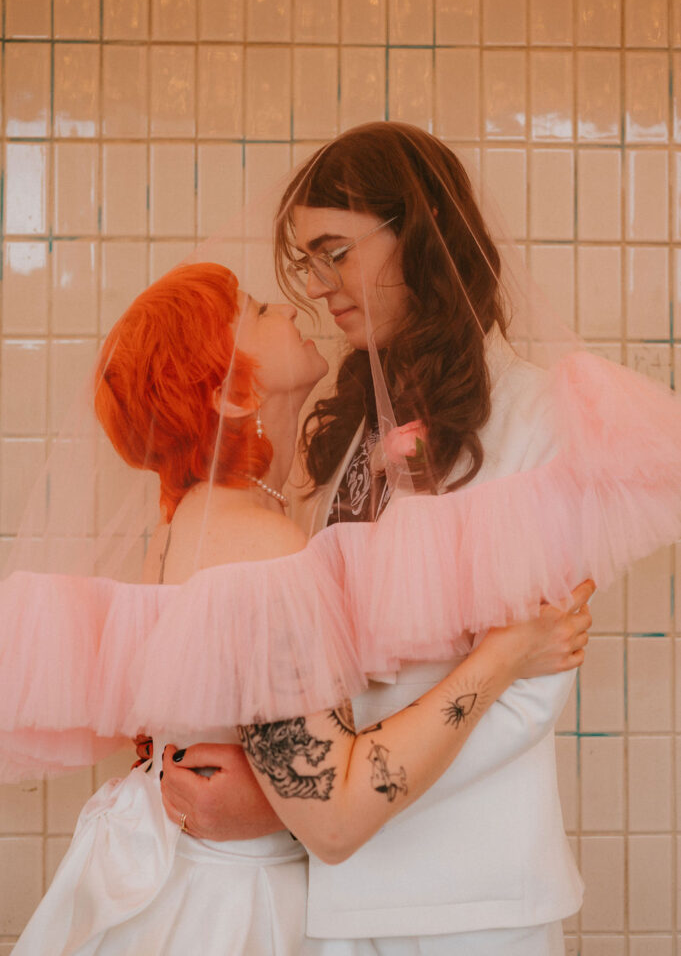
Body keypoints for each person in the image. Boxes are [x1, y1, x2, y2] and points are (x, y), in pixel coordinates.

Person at [155, 122, 681, 955]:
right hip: (328, 887)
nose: (321, 286)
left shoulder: (541, 418)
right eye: (308, 262)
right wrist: (303, 802)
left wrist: (308, 804)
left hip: (467, 898)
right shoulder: (348, 429)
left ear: (423, 233)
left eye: (337, 251)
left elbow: (529, 680)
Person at [10, 262, 591, 956]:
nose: (289, 305)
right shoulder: (259, 545)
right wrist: (506, 654)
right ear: (229, 394)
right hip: (235, 912)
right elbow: (337, 815)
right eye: (256, 310)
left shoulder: (201, 521)